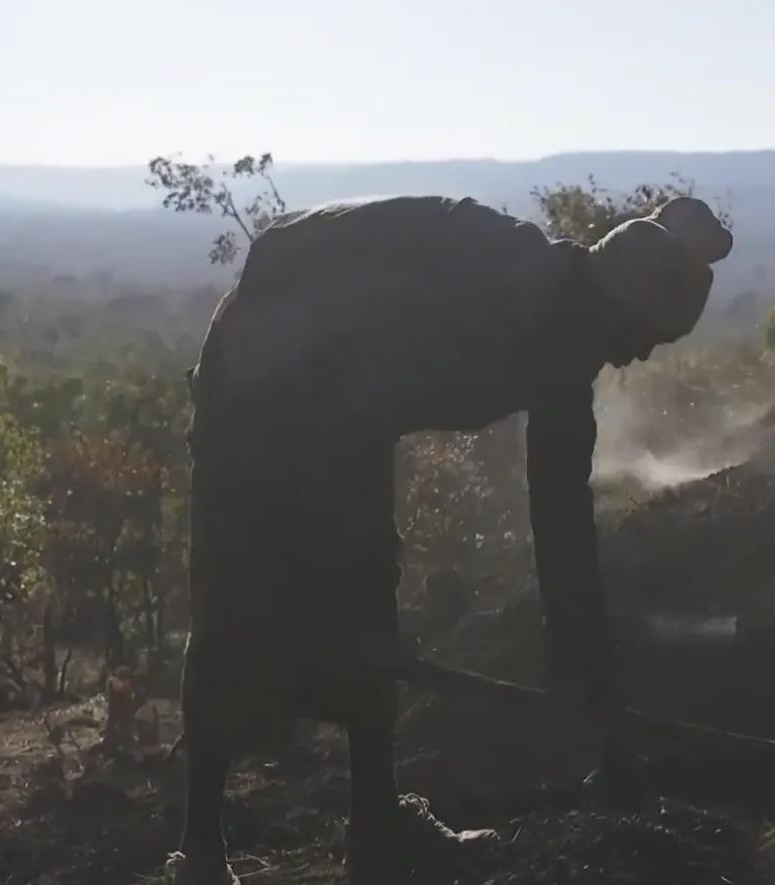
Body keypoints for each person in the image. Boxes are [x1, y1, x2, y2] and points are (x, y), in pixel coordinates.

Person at [167, 194, 732, 885]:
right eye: (642, 335)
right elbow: (345, 373)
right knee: (236, 592)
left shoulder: (565, 345)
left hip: (343, 406)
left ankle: (374, 827)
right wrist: (324, 542)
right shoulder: (493, 284)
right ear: (611, 304)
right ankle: (200, 850)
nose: (638, 355)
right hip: (258, 374)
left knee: (369, 583)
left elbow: (562, 524)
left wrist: (585, 662)